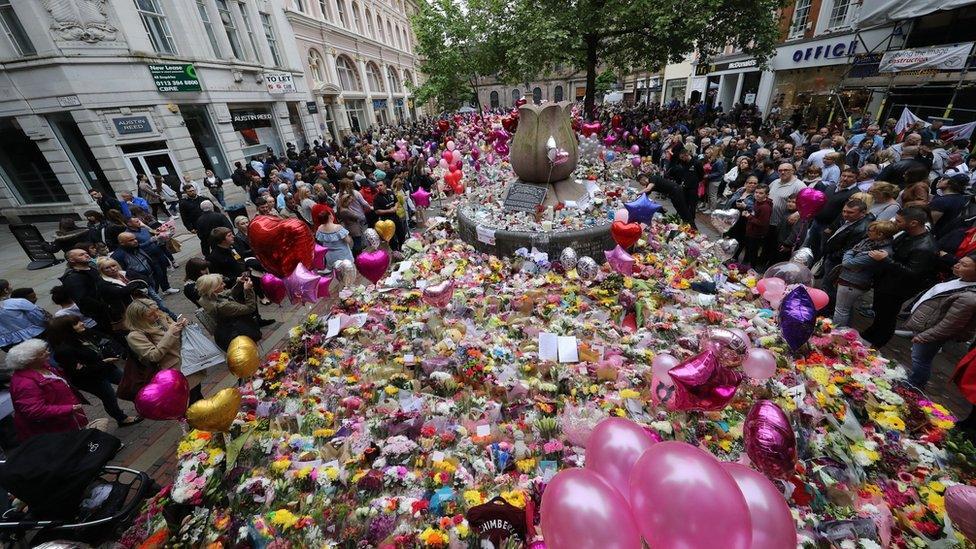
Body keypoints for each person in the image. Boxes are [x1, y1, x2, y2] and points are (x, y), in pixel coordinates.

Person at [861, 207, 940, 348]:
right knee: (880, 313)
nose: (894, 223)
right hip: (885, 282)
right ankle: (870, 335)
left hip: (896, 289)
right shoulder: (906, 234)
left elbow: (912, 273)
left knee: (887, 317)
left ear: (913, 223)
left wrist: (886, 260)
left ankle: (876, 344)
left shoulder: (925, 247)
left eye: (898, 221)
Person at [46, 316, 142, 427]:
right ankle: (122, 419)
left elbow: (100, 344)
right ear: (67, 329)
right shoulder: (64, 351)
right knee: (109, 396)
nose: (82, 324)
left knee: (129, 383)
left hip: (106, 368)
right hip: (91, 379)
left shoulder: (83, 335)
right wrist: (103, 362)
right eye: (76, 324)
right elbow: (81, 371)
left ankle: (142, 404)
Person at [903, 254, 976, 389]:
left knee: (920, 359)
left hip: (932, 332)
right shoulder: (960, 279)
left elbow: (949, 325)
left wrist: (925, 336)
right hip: (927, 325)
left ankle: (915, 385)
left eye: (964, 265)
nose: (957, 265)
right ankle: (914, 378)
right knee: (918, 356)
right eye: (959, 262)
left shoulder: (969, 298)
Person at [6, 339, 88, 442]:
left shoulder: (44, 367)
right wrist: (69, 408)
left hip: (65, 421)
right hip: (53, 429)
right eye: (42, 353)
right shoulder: (25, 383)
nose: (48, 352)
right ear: (31, 360)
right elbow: (34, 410)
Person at [124, 299, 203, 403]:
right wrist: (170, 334)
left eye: (156, 310)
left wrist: (184, 325)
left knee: (198, 397)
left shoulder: (162, 317)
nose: (156, 314)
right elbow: (153, 356)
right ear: (139, 319)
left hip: (189, 365)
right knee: (190, 404)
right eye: (150, 314)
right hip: (174, 375)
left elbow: (178, 337)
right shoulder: (135, 335)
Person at [832, 220, 898, 327]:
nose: (867, 232)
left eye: (870, 230)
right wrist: (852, 252)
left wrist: (850, 252)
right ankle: (844, 332)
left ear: (880, 234)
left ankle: (835, 334)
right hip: (851, 279)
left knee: (841, 311)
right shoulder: (869, 242)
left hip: (853, 282)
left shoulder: (879, 252)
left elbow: (848, 263)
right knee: (846, 309)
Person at [196, 273, 263, 351]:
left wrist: (239, 284)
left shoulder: (205, 297)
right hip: (237, 332)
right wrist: (248, 290)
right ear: (213, 289)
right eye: (221, 284)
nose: (224, 284)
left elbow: (226, 294)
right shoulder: (223, 306)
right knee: (248, 352)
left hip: (224, 330)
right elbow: (250, 308)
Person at [59, 248, 112, 333]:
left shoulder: (91, 268)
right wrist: (105, 306)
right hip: (101, 314)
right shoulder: (73, 278)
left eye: (86, 253)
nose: (86, 255)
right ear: (71, 260)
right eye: (81, 255)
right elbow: (84, 299)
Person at [764, 164, 807, 264]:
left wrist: (797, 213)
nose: (783, 172)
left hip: (785, 225)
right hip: (770, 222)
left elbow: (807, 204)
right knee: (768, 248)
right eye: (780, 170)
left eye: (786, 170)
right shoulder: (775, 182)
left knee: (780, 252)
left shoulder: (800, 185)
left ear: (793, 171)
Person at [112, 232, 178, 295]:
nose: (135, 241)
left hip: (149, 277)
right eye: (131, 240)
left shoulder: (135, 248)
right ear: (122, 243)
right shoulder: (119, 255)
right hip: (139, 281)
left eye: (135, 239)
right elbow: (123, 271)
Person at [96, 257, 149, 332]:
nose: (112, 269)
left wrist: (133, 285)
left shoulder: (125, 273)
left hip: (144, 303)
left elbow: (145, 279)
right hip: (127, 311)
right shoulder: (103, 284)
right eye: (107, 268)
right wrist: (136, 283)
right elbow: (122, 292)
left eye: (113, 265)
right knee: (142, 330)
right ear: (102, 270)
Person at [0, 280, 48, 352]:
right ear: (6, 290)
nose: (11, 286)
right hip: (32, 337)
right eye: (9, 285)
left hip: (7, 344)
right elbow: (39, 318)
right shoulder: (18, 302)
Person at [930, 174, 972, 238]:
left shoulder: (941, 202)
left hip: (934, 235)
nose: (940, 180)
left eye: (944, 179)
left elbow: (929, 223)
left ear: (949, 184)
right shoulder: (961, 198)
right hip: (945, 234)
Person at [742, 185, 772, 266]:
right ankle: (744, 265)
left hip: (756, 234)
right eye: (756, 192)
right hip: (750, 231)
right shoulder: (757, 202)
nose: (757, 195)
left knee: (753, 252)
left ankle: (752, 269)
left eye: (761, 193)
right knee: (748, 250)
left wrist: (748, 216)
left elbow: (762, 223)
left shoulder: (765, 208)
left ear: (766, 195)